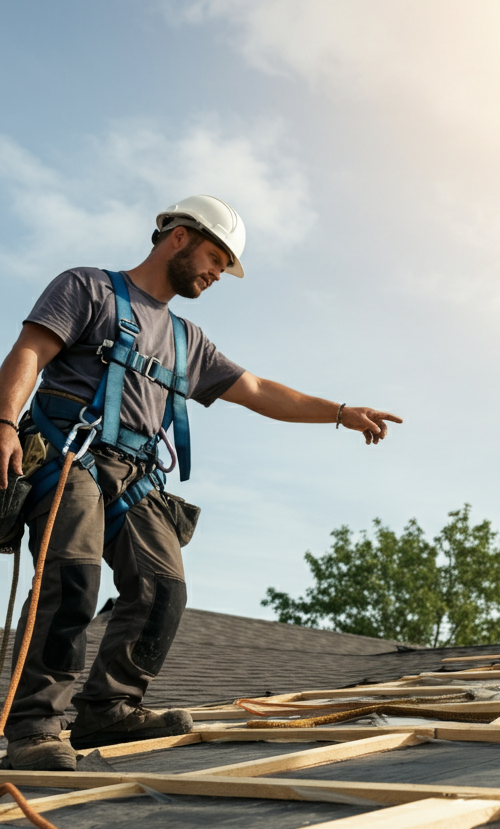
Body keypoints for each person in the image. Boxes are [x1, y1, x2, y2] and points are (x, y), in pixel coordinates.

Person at [0, 195, 401, 770]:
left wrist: (339, 411)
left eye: (225, 266)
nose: (217, 273)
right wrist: (4, 423)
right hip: (72, 455)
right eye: (215, 257)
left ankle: (109, 709)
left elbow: (259, 391)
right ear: (179, 238)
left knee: (163, 588)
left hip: (135, 474)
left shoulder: (189, 341)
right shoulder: (87, 288)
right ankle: (34, 728)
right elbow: (29, 353)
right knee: (73, 579)